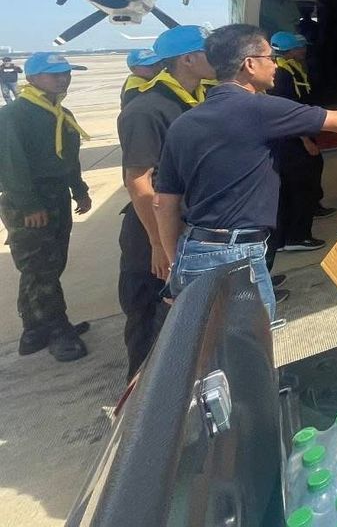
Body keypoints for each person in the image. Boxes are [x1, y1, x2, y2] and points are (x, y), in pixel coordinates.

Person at [153, 25, 337, 319]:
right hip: (236, 256)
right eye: (270, 58)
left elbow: (164, 202)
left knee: (206, 352)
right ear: (249, 64)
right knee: (247, 353)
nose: (275, 65)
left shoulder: (183, 123)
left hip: (192, 250)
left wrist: (175, 265)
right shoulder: (258, 109)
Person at [116, 26, 215, 378]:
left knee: (185, 317)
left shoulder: (197, 98)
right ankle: (140, 403)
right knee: (150, 319)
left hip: (185, 221)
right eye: (210, 51)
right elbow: (138, 181)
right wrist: (158, 242)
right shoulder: (147, 109)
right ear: (188, 59)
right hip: (153, 229)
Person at [0, 52, 93, 361]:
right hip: (30, 199)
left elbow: (69, 160)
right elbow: (11, 165)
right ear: (33, 78)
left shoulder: (61, 113)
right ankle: (57, 330)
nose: (63, 78)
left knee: (46, 266)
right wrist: (28, 205)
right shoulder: (14, 114)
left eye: (66, 72)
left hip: (56, 197)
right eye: (55, 73)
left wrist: (79, 191)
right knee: (41, 268)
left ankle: (33, 329)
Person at [268, 31, 329, 254]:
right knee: (301, 186)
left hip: (296, 136)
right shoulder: (283, 75)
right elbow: (287, 112)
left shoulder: (289, 69)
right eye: (300, 47)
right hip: (293, 140)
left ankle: (284, 238)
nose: (304, 51)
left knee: (296, 186)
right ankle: (298, 236)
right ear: (290, 50)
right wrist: (305, 140)